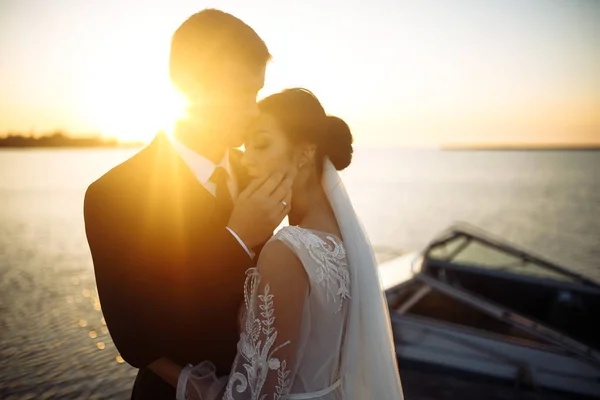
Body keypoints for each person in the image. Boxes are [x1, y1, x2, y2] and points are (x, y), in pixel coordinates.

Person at [83, 9, 292, 399]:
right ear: (188, 85)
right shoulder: (113, 194)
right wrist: (236, 241)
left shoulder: (257, 177)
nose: (253, 111)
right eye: (241, 93)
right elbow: (133, 337)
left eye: (257, 93)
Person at [154, 88, 404, 399]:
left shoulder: (286, 251)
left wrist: (168, 370)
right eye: (246, 147)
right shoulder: (341, 237)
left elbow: (258, 395)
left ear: (303, 153)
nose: (246, 160)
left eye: (260, 145)